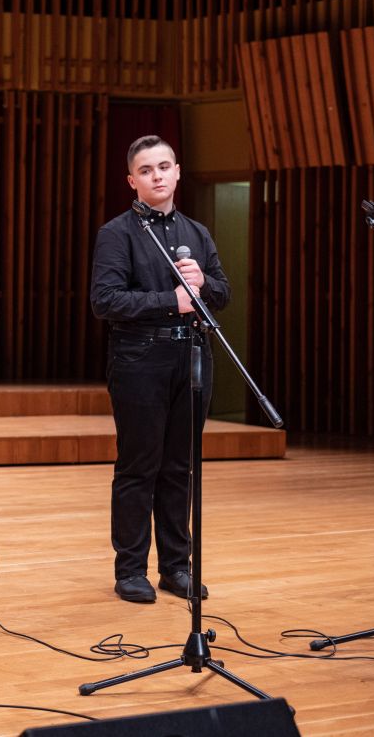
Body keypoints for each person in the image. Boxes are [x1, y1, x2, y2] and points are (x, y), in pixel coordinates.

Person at [90, 135, 230, 604]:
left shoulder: (198, 232)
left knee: (179, 468)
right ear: (132, 180)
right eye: (146, 170)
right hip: (139, 360)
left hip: (192, 357)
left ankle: (176, 567)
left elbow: (223, 294)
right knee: (139, 466)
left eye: (164, 166)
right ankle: (130, 569)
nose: (157, 176)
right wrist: (169, 301)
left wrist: (204, 282)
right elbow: (105, 301)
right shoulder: (117, 233)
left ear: (177, 172)